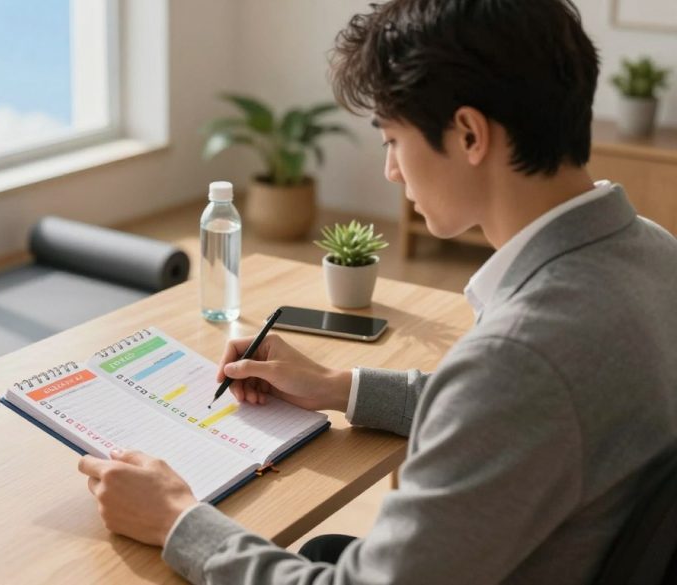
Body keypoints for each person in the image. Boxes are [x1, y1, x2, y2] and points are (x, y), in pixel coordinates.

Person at [77, 0, 677, 582]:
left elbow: (511, 395)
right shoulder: (653, 250)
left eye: (392, 139)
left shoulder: (518, 359)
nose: (391, 170)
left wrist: (178, 521)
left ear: (469, 134)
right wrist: (338, 387)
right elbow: (523, 421)